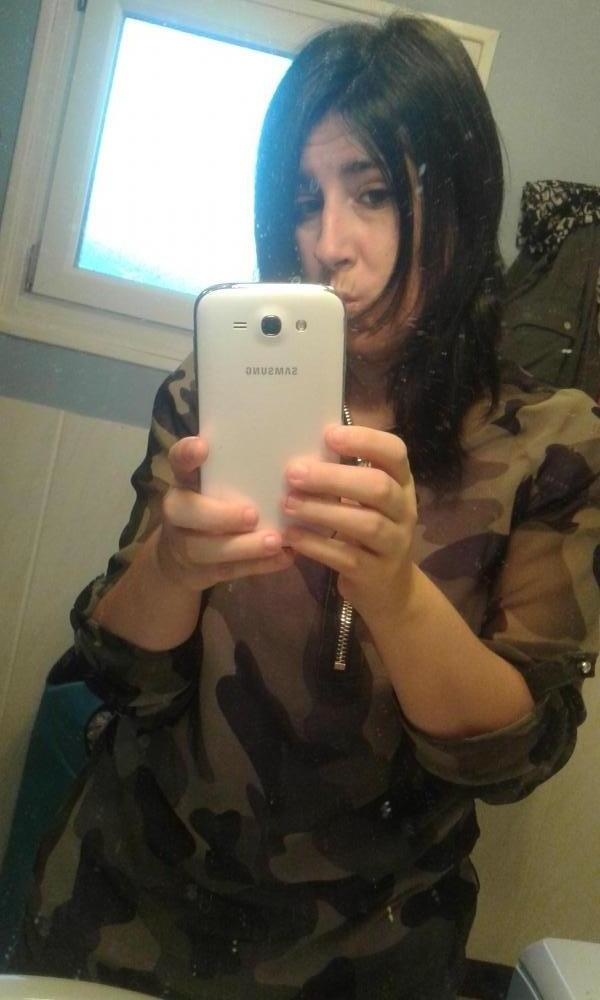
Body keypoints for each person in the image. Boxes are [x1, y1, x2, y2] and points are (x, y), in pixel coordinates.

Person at [12, 13, 599, 1000]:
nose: (328, 244)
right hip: (132, 911)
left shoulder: (553, 443)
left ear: (460, 196)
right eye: (302, 200)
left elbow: (512, 757)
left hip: (374, 954)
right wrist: (170, 568)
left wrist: (397, 594)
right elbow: (121, 677)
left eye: (373, 192)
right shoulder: (209, 396)